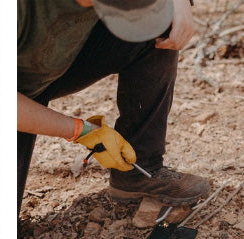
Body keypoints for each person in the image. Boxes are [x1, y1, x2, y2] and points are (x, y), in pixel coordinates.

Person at [17, 0, 210, 210]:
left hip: (59, 63)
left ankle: (138, 172)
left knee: (159, 24)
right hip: (18, 96)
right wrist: (83, 131)